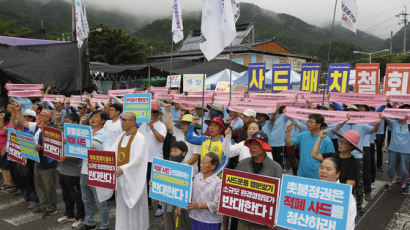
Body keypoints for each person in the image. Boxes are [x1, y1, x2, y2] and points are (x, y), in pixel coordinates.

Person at [12, 103, 58, 219]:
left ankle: (51, 208)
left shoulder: (52, 129)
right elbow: (22, 122)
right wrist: (18, 110)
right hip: (37, 161)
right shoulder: (37, 126)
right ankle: (43, 204)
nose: (40, 117)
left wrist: (42, 148)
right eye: (40, 115)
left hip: (47, 163)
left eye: (43, 116)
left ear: (48, 119)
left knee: (49, 187)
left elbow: (55, 147)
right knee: (39, 185)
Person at [235, 131, 283, 229]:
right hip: (244, 218)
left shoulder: (276, 168)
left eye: (256, 144)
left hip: (264, 221)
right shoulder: (242, 164)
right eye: (251, 144)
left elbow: (280, 195)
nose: (252, 147)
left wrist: (274, 217)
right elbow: (233, 187)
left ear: (264, 147)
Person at [110, 112, 149, 230]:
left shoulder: (140, 138)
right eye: (122, 120)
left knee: (135, 208)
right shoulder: (121, 136)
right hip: (122, 178)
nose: (122, 122)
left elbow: (139, 159)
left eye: (125, 120)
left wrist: (123, 168)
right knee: (122, 207)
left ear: (133, 122)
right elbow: (112, 152)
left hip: (133, 179)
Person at [79, 110, 110, 230]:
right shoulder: (86, 132)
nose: (93, 118)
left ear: (103, 121)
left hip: (97, 172)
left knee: (101, 201)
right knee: (86, 199)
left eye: (96, 117)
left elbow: (109, 154)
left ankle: (104, 226)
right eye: (92, 116)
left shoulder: (106, 135)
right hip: (84, 170)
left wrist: (96, 152)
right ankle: (90, 222)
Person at [56, 112, 85, 228]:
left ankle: (81, 217)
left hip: (74, 172)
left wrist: (66, 156)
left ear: (75, 123)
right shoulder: (63, 134)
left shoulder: (80, 135)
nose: (65, 123)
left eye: (68, 121)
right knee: (66, 195)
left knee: (77, 197)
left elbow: (81, 154)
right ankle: (69, 214)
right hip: (62, 170)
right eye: (65, 121)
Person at [285, 113, 335, 179]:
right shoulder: (303, 135)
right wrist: (288, 131)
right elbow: (289, 144)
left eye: (311, 122)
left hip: (317, 176)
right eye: (308, 122)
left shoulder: (326, 140)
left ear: (319, 124)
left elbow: (331, 160)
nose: (308, 124)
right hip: (301, 174)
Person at [139, 102, 167, 216]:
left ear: (156, 114)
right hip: (144, 159)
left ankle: (160, 206)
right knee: (145, 182)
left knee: (157, 183)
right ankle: (148, 203)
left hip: (156, 158)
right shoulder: (143, 125)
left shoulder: (161, 125)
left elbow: (161, 139)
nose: (149, 115)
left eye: (151, 112)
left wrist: (153, 128)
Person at [318, 157, 357, 230]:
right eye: (321, 168)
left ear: (337, 174)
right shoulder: (313, 189)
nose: (323, 171)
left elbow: (349, 224)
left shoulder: (345, 195)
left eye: (328, 169)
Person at [161, 141, 191, 230]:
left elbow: (186, 190)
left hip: (179, 206)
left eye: (176, 151)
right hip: (166, 203)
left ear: (183, 153)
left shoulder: (186, 168)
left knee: (180, 226)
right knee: (168, 226)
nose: (173, 154)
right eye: (171, 151)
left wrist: (180, 206)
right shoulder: (166, 166)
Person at [188, 152, 222, 230]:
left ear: (213, 166)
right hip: (196, 216)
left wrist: (199, 205)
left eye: (204, 163)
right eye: (201, 162)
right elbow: (190, 192)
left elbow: (218, 204)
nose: (201, 165)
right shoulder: (197, 176)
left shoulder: (218, 182)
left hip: (210, 221)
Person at [164, 104, 200, 175]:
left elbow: (195, 156)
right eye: (182, 123)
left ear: (191, 125)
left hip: (190, 172)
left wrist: (183, 166)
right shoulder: (178, 132)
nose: (183, 125)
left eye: (186, 124)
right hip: (177, 170)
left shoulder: (197, 138)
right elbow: (168, 125)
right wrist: (167, 111)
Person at [382, 115, 409, 194]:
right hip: (393, 149)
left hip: (406, 150)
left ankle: (404, 186)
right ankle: (389, 183)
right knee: (391, 167)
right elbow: (384, 115)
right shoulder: (394, 123)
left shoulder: (409, 124)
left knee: (404, 168)